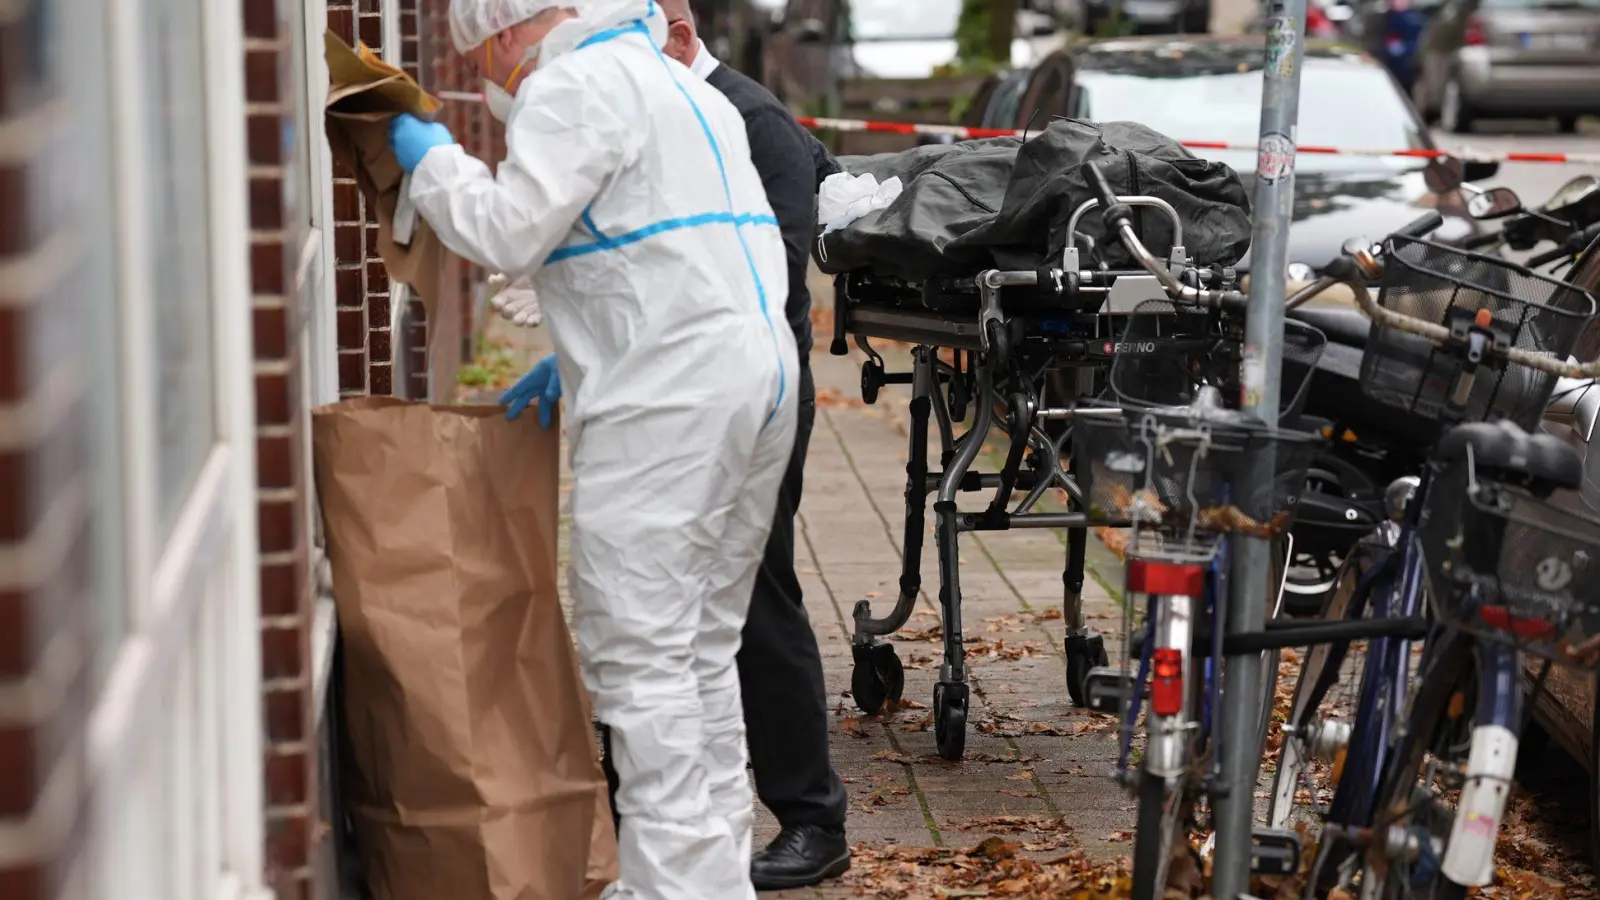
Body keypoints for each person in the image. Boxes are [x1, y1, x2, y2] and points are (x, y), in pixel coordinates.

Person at [385, 1, 801, 897]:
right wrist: (575, 365)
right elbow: (659, 251)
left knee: (641, 657)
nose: (493, 77)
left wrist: (433, 163)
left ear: (508, 32)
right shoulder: (686, 87)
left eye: (488, 57)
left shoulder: (572, 85)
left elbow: (506, 229)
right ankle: (709, 876)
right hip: (753, 379)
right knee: (701, 647)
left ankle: (669, 887)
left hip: (669, 399)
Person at [653, 1, 854, 891]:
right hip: (674, 389)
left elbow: (764, 280)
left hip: (753, 393)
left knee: (757, 591)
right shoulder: (660, 113)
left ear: (680, 37)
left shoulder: (751, 121)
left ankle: (813, 817)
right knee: (677, 597)